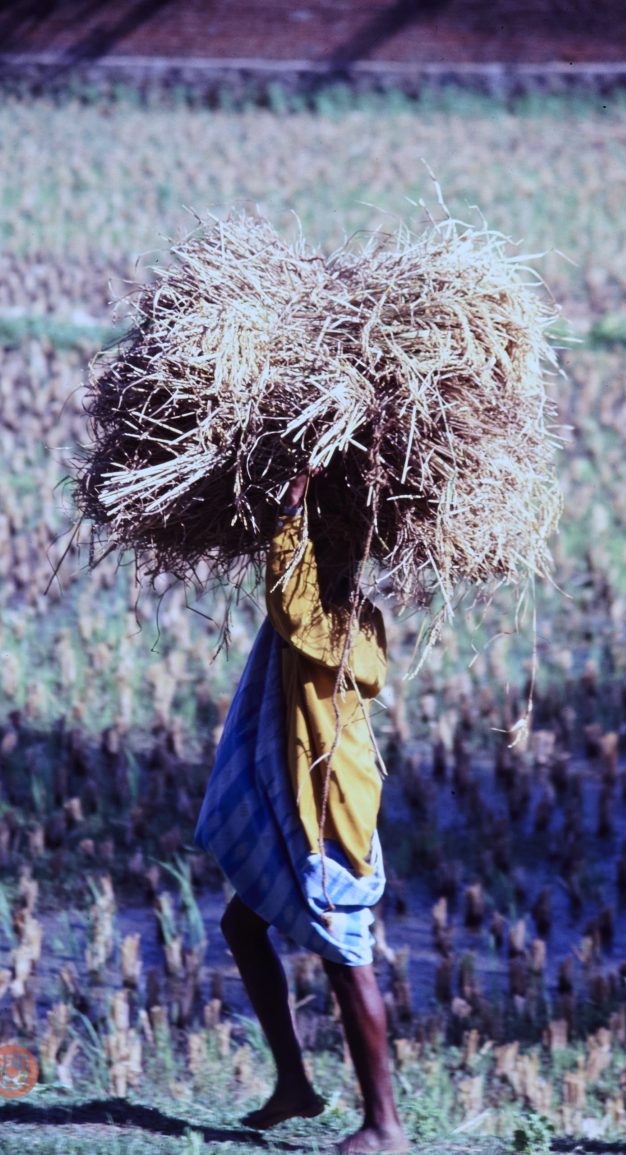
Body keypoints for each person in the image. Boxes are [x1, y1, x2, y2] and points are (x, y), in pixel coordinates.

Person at [194, 472, 409, 1154]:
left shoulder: (342, 619)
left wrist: (289, 514)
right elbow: (289, 599)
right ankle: (293, 1082)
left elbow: (290, 607)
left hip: (327, 812)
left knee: (349, 959)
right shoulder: (334, 599)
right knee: (240, 921)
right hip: (293, 797)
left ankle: (386, 1125)